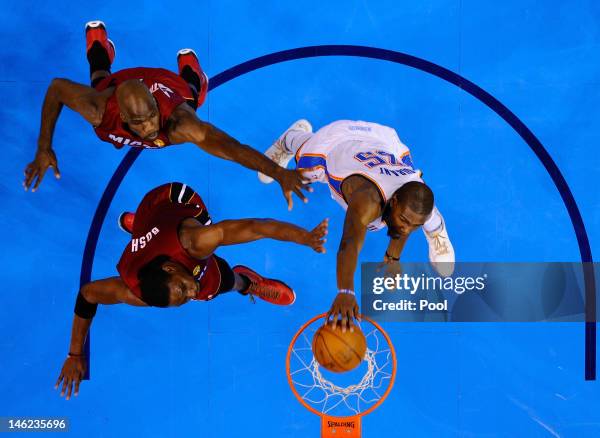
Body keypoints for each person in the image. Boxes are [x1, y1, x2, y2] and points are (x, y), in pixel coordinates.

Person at [55, 182, 328, 399]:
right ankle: (140, 226)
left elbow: (257, 227)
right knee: (202, 290)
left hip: (172, 201)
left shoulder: (195, 241)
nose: (191, 290)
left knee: (216, 283)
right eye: (184, 298)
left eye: (183, 288)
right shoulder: (136, 291)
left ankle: (245, 282)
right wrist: (74, 354)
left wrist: (306, 237)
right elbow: (88, 295)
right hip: (153, 236)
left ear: (171, 269)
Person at [24, 21, 310, 210]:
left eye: (150, 117)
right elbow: (56, 88)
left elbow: (234, 150)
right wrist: (43, 147)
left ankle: (193, 72)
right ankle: (100, 46)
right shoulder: (100, 109)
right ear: (122, 115)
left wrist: (277, 172)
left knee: (193, 95)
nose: (149, 126)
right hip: (119, 87)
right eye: (139, 122)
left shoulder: (177, 123)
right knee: (99, 78)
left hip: (167, 87)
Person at [259, 119, 455, 330]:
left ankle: (437, 233)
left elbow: (406, 222)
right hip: (336, 142)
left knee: (426, 213)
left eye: (414, 226)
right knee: (302, 173)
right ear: (394, 200)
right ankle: (290, 138)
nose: (408, 229)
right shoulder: (366, 202)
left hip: (382, 141)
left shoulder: (412, 192)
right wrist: (346, 292)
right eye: (405, 222)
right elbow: (349, 243)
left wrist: (392, 257)